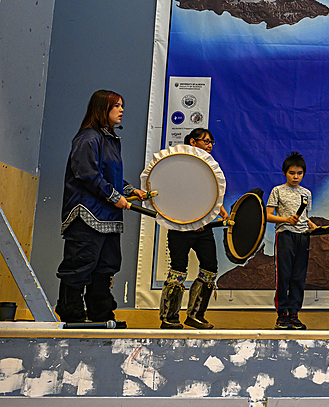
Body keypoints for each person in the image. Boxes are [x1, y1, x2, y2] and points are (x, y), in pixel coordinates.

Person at [57, 90, 147, 323]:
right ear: (101, 109)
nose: (121, 110)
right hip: (87, 215)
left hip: (108, 216)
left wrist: (129, 191)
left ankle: (101, 315)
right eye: (116, 106)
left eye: (121, 105)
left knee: (105, 267)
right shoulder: (88, 138)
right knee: (80, 266)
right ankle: (72, 315)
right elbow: (87, 174)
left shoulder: (108, 139)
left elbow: (110, 176)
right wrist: (113, 195)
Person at [158, 128, 229, 330]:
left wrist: (220, 209)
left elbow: (209, 195)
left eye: (211, 141)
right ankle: (169, 317)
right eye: (205, 141)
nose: (209, 145)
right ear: (192, 142)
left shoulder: (209, 169)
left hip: (203, 229)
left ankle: (196, 315)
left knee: (210, 268)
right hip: (180, 229)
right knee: (178, 269)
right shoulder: (178, 166)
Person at [266, 151, 318, 330]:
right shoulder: (277, 191)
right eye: (292, 173)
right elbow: (268, 216)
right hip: (285, 235)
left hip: (303, 237)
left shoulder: (306, 193)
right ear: (284, 173)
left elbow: (305, 215)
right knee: (284, 275)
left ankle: (294, 314)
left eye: (299, 173)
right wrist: (286, 219)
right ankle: (282, 315)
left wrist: (311, 224)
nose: (295, 177)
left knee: (298, 277)